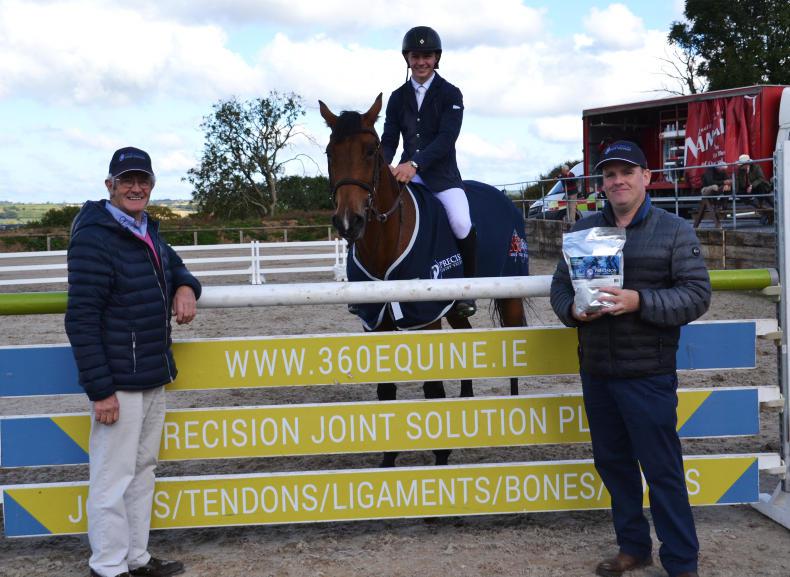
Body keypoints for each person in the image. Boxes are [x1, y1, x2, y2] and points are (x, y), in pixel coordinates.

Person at [550, 140, 710, 577]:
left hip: (648, 373)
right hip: (598, 371)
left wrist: (640, 301)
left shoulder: (674, 230)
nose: (618, 181)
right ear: (602, 183)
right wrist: (572, 311)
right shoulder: (583, 231)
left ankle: (681, 562)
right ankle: (633, 547)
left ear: (646, 177)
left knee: (662, 470)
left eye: (627, 172)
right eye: (610, 174)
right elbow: (560, 288)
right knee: (614, 465)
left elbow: (697, 295)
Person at [65, 147, 201, 577]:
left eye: (143, 180)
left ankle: (135, 558)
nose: (136, 188)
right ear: (110, 185)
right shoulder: (96, 236)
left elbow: (177, 267)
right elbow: (81, 318)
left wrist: (185, 287)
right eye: (127, 181)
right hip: (119, 381)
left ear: (152, 186)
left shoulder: (145, 230)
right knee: (112, 477)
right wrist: (101, 390)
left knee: (142, 471)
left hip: (151, 373)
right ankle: (108, 566)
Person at [381, 25, 476, 317]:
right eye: (416, 56)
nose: (421, 62)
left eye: (427, 56)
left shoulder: (450, 93)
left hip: (442, 176)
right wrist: (384, 165)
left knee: (460, 222)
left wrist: (415, 164)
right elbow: (389, 138)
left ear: (436, 58)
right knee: (376, 212)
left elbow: (447, 139)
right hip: (405, 174)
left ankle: (468, 290)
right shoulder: (397, 97)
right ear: (407, 58)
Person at [736, 154, 773, 223]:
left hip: (757, 187)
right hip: (747, 188)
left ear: (746, 164)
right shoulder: (740, 171)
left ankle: (763, 207)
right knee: (738, 192)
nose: (740, 166)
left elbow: (761, 178)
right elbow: (740, 183)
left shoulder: (756, 167)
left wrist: (752, 186)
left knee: (761, 187)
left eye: (742, 165)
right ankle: (760, 207)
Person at [692, 163, 730, 228]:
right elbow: (710, 182)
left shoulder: (723, 172)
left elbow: (727, 179)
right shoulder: (709, 170)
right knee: (714, 187)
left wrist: (727, 184)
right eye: (722, 169)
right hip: (706, 189)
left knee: (728, 189)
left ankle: (723, 206)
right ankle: (718, 206)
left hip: (716, 189)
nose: (723, 170)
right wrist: (723, 182)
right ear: (718, 168)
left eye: (724, 169)